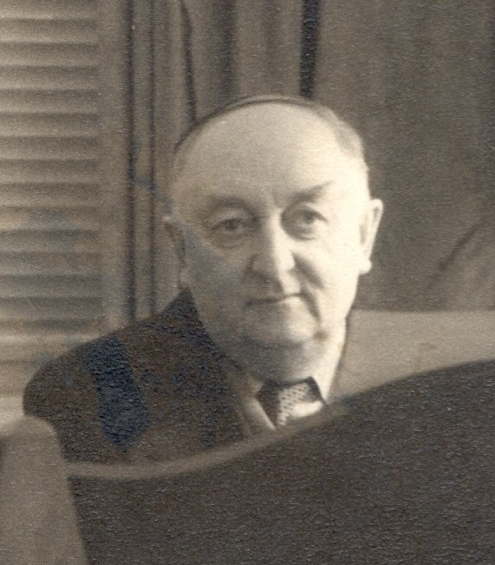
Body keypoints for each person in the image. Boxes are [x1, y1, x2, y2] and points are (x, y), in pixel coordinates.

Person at [23, 95, 383, 463]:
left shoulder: (420, 376)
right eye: (232, 225)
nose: (274, 264)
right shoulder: (88, 394)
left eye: (307, 218)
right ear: (182, 249)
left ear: (364, 235)